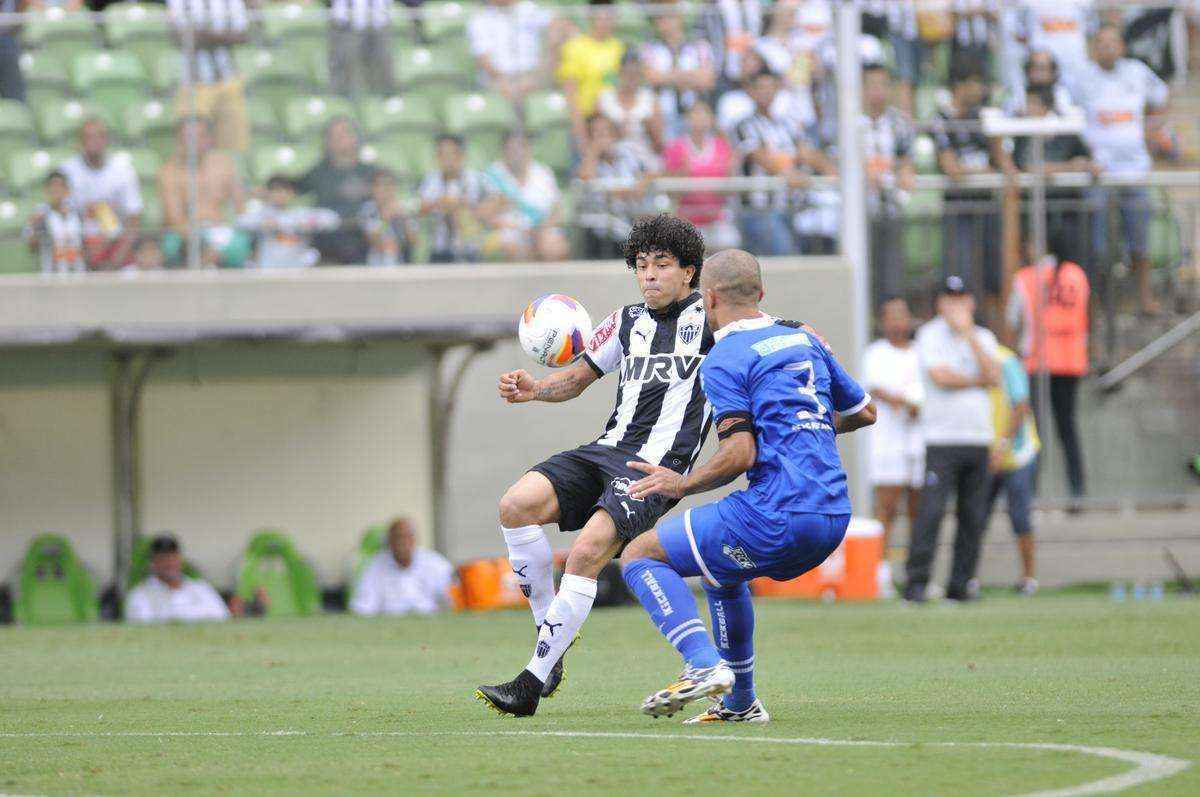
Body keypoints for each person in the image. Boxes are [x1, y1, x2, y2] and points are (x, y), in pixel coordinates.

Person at [615, 248, 875, 722]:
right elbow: (864, 412)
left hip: (777, 512)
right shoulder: (803, 341)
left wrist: (682, 483)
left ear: (708, 299)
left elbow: (741, 454)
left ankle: (700, 665)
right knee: (722, 572)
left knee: (638, 555)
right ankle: (740, 702)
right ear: (761, 294)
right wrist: (798, 425)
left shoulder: (723, 358)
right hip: (834, 516)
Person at [474, 214, 716, 717]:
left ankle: (531, 682)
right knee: (515, 506)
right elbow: (579, 377)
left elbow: (764, 329)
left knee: (585, 553)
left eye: (662, 265)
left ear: (689, 272)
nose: (649, 276)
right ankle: (550, 634)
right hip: (606, 450)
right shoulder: (625, 321)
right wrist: (535, 390)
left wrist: (803, 338)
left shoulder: (713, 323)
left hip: (656, 469)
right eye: (642, 266)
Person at [904, 276, 1001, 604]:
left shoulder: (983, 336)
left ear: (970, 304)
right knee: (931, 513)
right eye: (949, 299)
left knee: (973, 516)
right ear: (939, 304)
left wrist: (968, 334)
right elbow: (940, 377)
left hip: (978, 438)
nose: (955, 306)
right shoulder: (929, 335)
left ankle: (961, 585)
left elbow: (995, 375)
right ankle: (916, 583)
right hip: (942, 438)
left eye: (961, 299)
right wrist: (977, 380)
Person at [1074, 23, 1169, 315]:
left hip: (1134, 170)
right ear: (1093, 48)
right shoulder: (1082, 78)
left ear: (1122, 47)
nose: (1107, 48)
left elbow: (1162, 99)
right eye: (1101, 43)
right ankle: (1099, 302)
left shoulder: (1137, 72)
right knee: (1097, 245)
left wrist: (1155, 132)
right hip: (1099, 172)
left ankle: (1143, 296)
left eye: (1112, 43)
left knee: (1139, 240)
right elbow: (1069, 116)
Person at [1007, 230, 1090, 505]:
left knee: (1035, 431)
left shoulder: (1026, 278)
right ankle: (1077, 491)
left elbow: (1013, 319)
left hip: (1037, 362)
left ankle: (1031, 493)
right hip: (1070, 362)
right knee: (1068, 428)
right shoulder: (1077, 274)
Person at [931, 56, 1014, 306]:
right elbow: (951, 169)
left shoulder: (985, 118)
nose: (980, 90)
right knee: (961, 273)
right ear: (960, 86)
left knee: (993, 277)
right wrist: (984, 171)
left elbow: (1004, 164)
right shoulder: (941, 120)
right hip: (959, 209)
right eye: (976, 84)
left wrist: (995, 152)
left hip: (988, 206)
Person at [733, 68, 832, 257]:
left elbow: (808, 153)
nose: (766, 92)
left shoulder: (787, 125)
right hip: (760, 210)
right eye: (760, 88)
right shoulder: (744, 125)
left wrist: (831, 170)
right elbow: (760, 157)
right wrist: (789, 173)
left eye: (770, 87)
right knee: (785, 259)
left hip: (792, 208)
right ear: (751, 92)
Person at [862, 298, 923, 599]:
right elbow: (873, 388)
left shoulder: (921, 353)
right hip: (886, 442)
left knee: (918, 510)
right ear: (882, 321)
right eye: (892, 316)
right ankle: (880, 574)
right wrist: (903, 402)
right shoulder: (875, 353)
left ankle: (916, 575)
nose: (899, 322)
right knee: (886, 509)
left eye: (904, 315)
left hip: (917, 442)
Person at [1011, 86, 1095, 272]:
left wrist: (1082, 166)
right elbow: (1025, 165)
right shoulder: (1022, 134)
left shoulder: (1067, 132)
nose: (1027, 108)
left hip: (1069, 213)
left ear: (1045, 107)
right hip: (1034, 213)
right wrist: (1067, 167)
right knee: (1037, 267)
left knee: (1072, 267)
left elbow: (1087, 161)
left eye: (1031, 103)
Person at [983, 344, 1041, 596]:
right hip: (986, 456)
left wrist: (1003, 445)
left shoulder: (1005, 360)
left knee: (1019, 516)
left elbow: (1020, 405)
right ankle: (969, 577)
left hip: (1017, 455)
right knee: (976, 518)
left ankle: (1028, 578)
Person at [158, 116, 248, 269]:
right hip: (185, 234)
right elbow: (174, 218)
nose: (193, 142)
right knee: (171, 246)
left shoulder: (225, 165)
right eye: (187, 137)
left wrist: (221, 234)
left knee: (239, 244)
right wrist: (202, 246)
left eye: (200, 136)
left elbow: (240, 208)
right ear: (179, 140)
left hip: (220, 230)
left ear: (209, 139)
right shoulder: (168, 172)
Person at [861, 64, 915, 304]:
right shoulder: (848, 122)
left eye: (883, 84)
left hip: (890, 207)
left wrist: (905, 172)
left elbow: (906, 159)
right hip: (857, 212)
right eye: (872, 84)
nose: (878, 91)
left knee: (891, 273)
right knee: (864, 271)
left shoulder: (899, 123)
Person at [166, 0, 250, 153]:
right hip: (193, 84)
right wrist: (221, 37)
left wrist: (203, 35)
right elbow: (179, 35)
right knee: (192, 150)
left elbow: (243, 35)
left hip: (228, 81)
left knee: (233, 149)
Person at [61, 118, 142, 271]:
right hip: (80, 248)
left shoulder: (123, 170)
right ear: (79, 142)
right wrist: (84, 258)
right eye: (88, 137)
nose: (94, 142)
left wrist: (115, 261)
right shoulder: (67, 172)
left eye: (99, 136)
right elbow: (62, 219)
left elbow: (134, 221)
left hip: (118, 248)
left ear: (107, 140)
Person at [577, 114, 661, 260]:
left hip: (633, 221)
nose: (603, 137)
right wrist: (594, 152)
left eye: (606, 131)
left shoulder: (628, 152)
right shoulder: (589, 159)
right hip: (604, 230)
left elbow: (654, 170)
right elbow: (585, 179)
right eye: (597, 133)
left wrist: (642, 183)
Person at [297, 117, 377, 265]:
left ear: (355, 139)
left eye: (344, 135)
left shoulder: (371, 172)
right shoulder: (318, 172)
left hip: (362, 237)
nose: (339, 140)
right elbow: (289, 190)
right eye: (333, 136)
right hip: (327, 238)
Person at [662, 100, 740, 251]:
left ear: (711, 119)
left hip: (716, 218)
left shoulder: (722, 146)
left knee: (729, 244)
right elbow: (671, 190)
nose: (699, 119)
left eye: (704, 114)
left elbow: (729, 187)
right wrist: (682, 174)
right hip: (686, 218)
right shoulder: (675, 147)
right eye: (695, 114)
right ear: (686, 119)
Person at [482, 131, 570, 262]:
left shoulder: (543, 172)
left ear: (529, 149)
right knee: (515, 247)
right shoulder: (493, 175)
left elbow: (557, 209)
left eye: (522, 147)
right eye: (511, 148)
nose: (517, 153)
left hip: (542, 228)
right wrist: (500, 205)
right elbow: (484, 215)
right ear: (503, 150)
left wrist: (542, 229)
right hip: (508, 229)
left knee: (556, 248)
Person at [640, 4, 717, 139]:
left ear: (679, 17)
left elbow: (707, 80)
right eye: (658, 18)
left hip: (694, 114)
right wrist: (690, 76)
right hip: (664, 114)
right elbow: (652, 78)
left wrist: (668, 76)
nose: (663, 22)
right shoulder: (649, 48)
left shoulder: (700, 47)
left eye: (668, 16)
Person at [350, 518, 455, 616]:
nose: (401, 543)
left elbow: (452, 599)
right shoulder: (374, 566)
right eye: (397, 537)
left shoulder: (436, 563)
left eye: (406, 537)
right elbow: (363, 607)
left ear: (414, 539)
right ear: (389, 542)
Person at [237, 174, 339, 269]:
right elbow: (241, 222)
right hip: (269, 269)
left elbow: (333, 219)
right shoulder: (261, 215)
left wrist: (309, 223)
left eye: (285, 191)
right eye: (276, 191)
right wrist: (264, 223)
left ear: (292, 193)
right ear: (267, 193)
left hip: (298, 269)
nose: (281, 195)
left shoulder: (299, 214)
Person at [468, 0, 556, 109]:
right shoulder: (480, 19)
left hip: (535, 74)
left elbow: (558, 26)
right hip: (500, 79)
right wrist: (504, 82)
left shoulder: (529, 9)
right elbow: (484, 60)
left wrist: (538, 75)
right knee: (508, 96)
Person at [418, 135, 491, 264]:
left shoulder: (477, 180)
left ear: (461, 156)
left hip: (472, 249)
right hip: (439, 250)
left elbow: (495, 204)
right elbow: (421, 210)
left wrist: (466, 206)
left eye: (451, 154)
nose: (448, 160)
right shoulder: (430, 181)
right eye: (442, 155)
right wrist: (440, 203)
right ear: (437, 158)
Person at [126, 535, 230, 624]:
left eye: (173, 557)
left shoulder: (201, 589)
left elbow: (223, 620)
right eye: (163, 559)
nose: (169, 563)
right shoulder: (140, 595)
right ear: (152, 564)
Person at [558, 0, 624, 137]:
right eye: (601, 16)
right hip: (585, 120)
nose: (605, 21)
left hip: (613, 121)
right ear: (591, 17)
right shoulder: (575, 47)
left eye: (609, 16)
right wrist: (580, 131)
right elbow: (570, 91)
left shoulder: (620, 48)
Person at [595, 52, 663, 156]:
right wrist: (617, 132)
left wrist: (648, 128)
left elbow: (659, 143)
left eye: (635, 74)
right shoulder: (605, 98)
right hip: (611, 155)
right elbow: (597, 134)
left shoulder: (650, 99)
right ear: (619, 73)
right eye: (627, 73)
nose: (631, 78)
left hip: (643, 154)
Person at [329, 0, 394, 97]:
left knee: (379, 64)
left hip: (379, 25)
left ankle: (381, 95)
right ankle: (345, 96)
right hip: (345, 26)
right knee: (346, 64)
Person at [24, 171, 85, 274]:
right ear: (46, 190)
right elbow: (31, 246)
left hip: (78, 272)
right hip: (51, 274)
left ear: (67, 190)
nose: (56, 190)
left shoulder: (77, 213)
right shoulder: (40, 214)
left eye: (60, 186)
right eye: (52, 186)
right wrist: (33, 227)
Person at [359, 169, 417, 266]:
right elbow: (372, 239)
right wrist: (385, 217)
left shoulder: (403, 207)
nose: (385, 189)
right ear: (373, 188)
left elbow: (413, 241)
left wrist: (404, 219)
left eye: (389, 185)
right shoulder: (368, 209)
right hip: (374, 263)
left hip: (402, 263)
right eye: (380, 185)